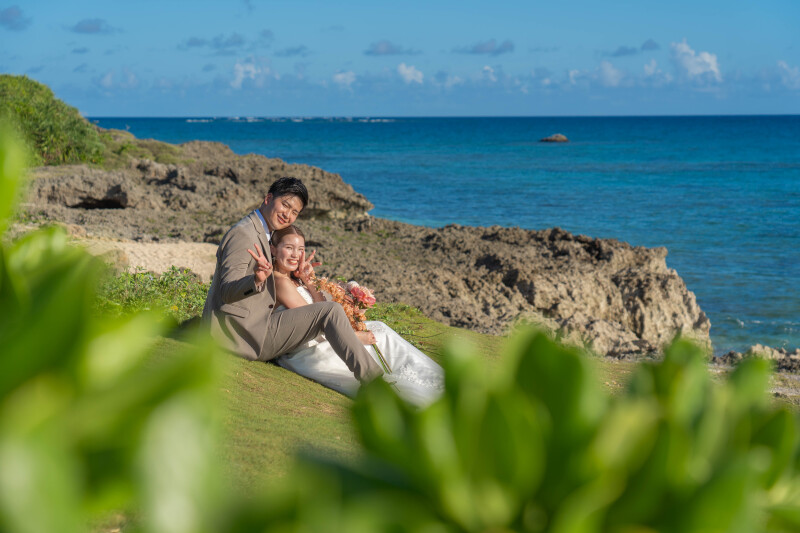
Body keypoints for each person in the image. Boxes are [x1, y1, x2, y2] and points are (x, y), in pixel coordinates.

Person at [202, 177, 383, 382]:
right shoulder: (244, 234)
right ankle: (374, 382)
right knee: (330, 311)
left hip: (258, 325)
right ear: (269, 198)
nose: (287, 215)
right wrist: (256, 281)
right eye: (285, 205)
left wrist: (303, 277)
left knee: (330, 311)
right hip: (243, 336)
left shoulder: (266, 233)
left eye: (294, 212)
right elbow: (226, 291)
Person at [269, 225, 444, 407]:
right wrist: (356, 337)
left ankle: (436, 382)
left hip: (324, 336)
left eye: (300, 249)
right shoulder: (280, 281)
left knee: (380, 329)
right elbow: (312, 322)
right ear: (274, 248)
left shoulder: (293, 276)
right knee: (378, 339)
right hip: (309, 349)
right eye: (289, 248)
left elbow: (321, 307)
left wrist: (309, 281)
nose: (295, 255)